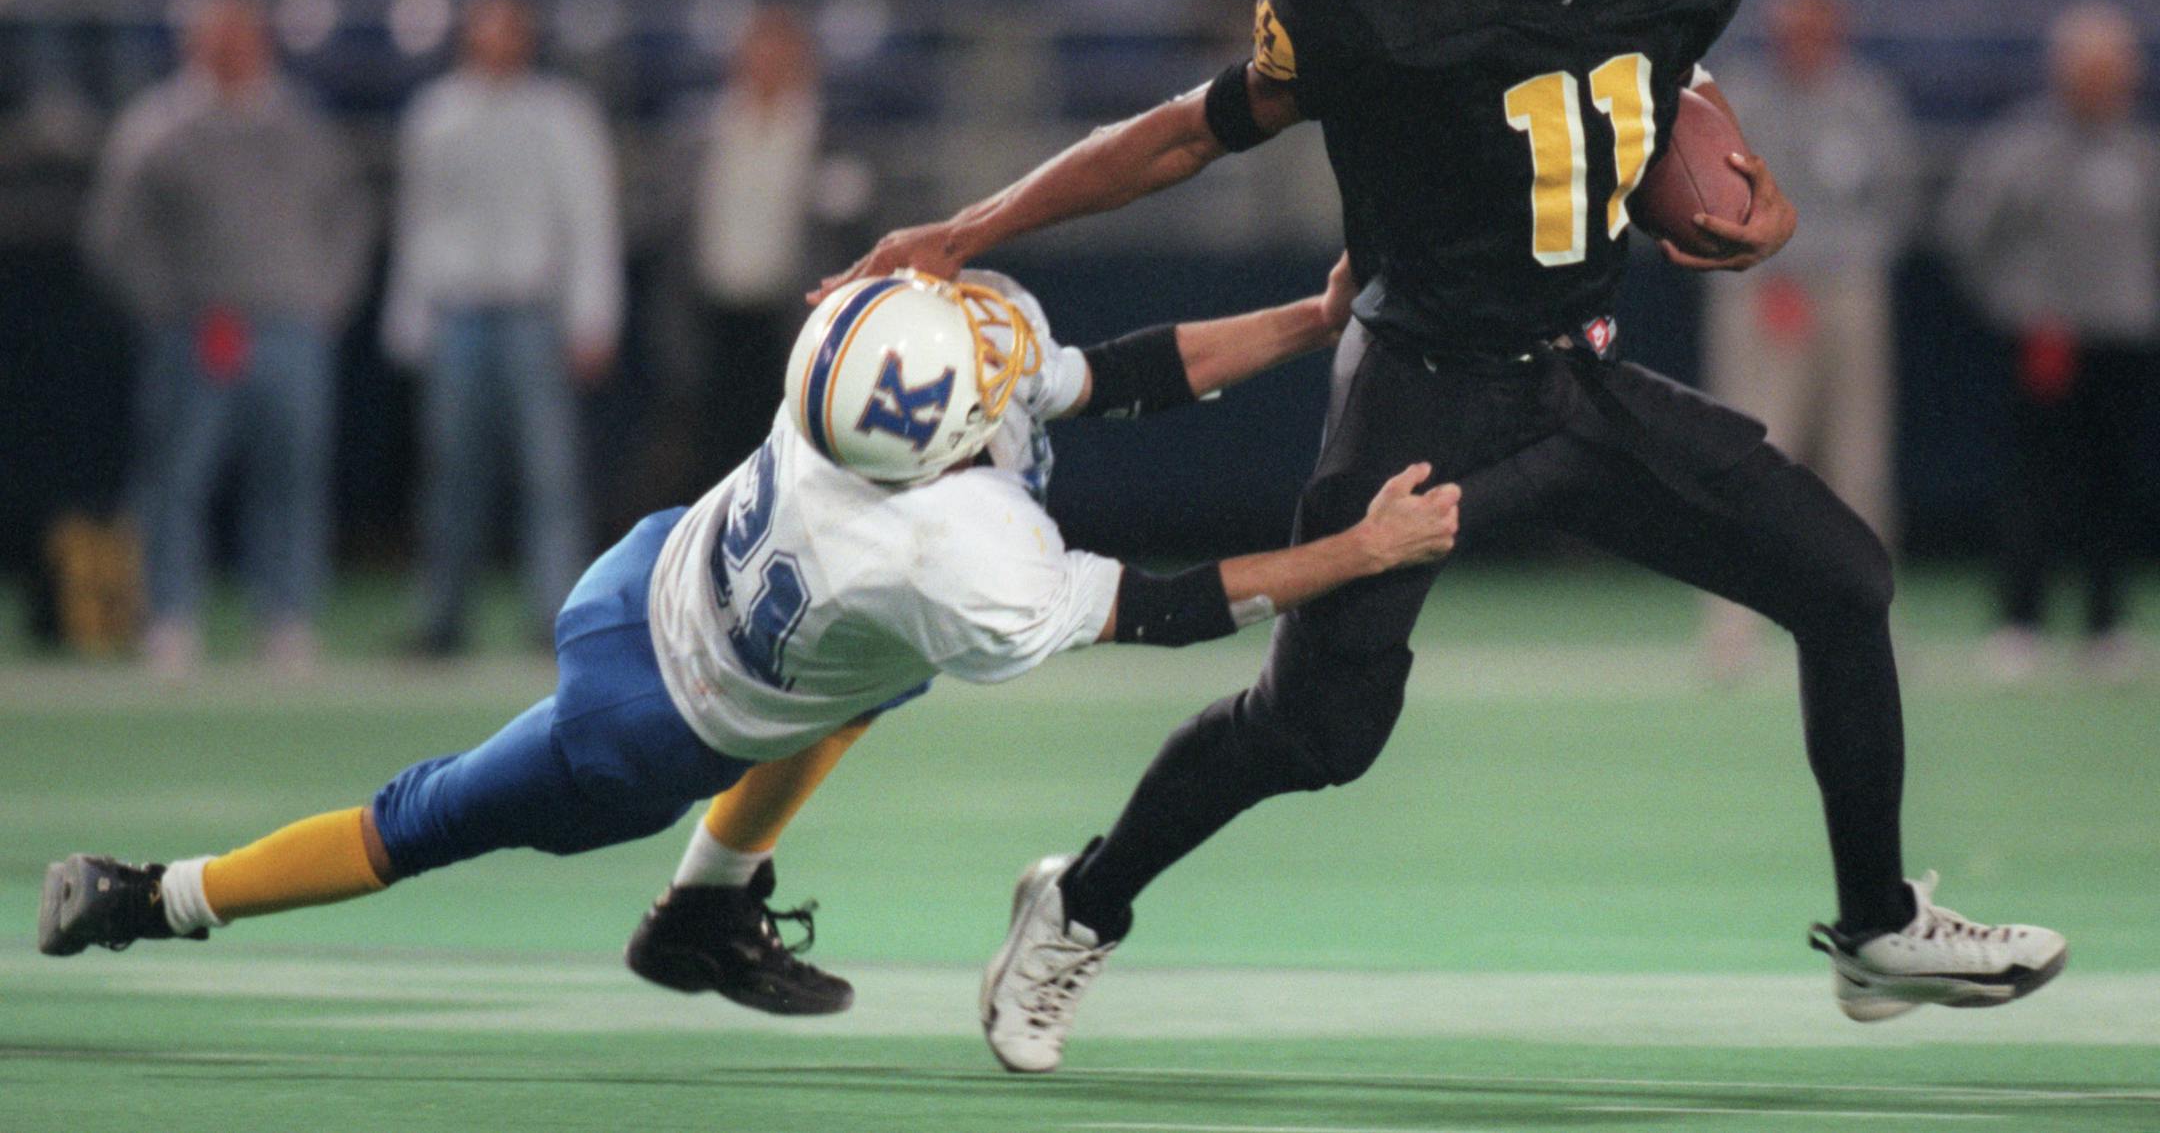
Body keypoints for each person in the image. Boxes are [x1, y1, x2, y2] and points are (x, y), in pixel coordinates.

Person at [822, 0, 2067, 1071]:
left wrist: (1716, 169)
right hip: (1423, 390)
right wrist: (969, 229)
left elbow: (1647, 73)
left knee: (1845, 580)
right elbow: (1189, 132)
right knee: (1317, 729)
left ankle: (1878, 927)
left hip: (1583, 376)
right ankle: (1079, 900)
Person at [37, 267, 1462, 1021]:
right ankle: (150, 894)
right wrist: (1354, 554)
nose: (1005, 351)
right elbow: (1165, 604)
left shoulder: (867, 345)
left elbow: (1121, 374)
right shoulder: (946, 550)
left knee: (870, 672)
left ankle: (704, 908)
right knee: (422, 818)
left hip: (649, 564)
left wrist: (1312, 314)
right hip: (652, 715)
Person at [80, 0, 374, 676]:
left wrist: (326, 296)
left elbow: (350, 216)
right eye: (216, 38)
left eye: (240, 36)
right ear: (192, 46)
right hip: (198, 328)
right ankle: (171, 617)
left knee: (292, 477)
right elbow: (115, 235)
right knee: (178, 479)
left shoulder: (302, 123)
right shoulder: (158, 126)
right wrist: (165, 306)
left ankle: (286, 615)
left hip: (291, 329)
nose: (229, 50)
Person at [383, 0, 624, 656]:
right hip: (457, 311)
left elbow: (587, 222)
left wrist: (592, 315)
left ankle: (558, 614)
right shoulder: (435, 115)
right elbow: (417, 218)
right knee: (448, 471)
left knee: (550, 473)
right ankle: (441, 616)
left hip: (532, 314)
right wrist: (408, 315)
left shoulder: (561, 115)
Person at [1696, 0, 1921, 680]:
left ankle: (1870, 613)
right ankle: (1733, 631)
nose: (1804, 40)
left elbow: (1900, 197)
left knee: (1859, 459)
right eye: (1792, 27)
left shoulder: (1867, 101)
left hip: (1849, 291)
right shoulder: (1744, 100)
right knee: (1751, 454)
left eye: (1816, 27)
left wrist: (1848, 262)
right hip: (1760, 292)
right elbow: (1712, 195)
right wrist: (1765, 270)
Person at [1939, 1, 2158, 683]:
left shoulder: (2142, 153)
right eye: (2089, 68)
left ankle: (2105, 623)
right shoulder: (2019, 149)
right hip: (2046, 340)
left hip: (2124, 340)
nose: (2104, 82)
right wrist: (2017, 307)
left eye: (2115, 68)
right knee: (2036, 479)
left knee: (2116, 481)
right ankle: (2020, 621)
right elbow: (1967, 233)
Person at [677, 4, 826, 481]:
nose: (767, 70)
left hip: (790, 318)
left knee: (791, 459)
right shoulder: (706, 132)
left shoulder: (824, 136)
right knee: (715, 454)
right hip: (715, 315)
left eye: (779, 58)